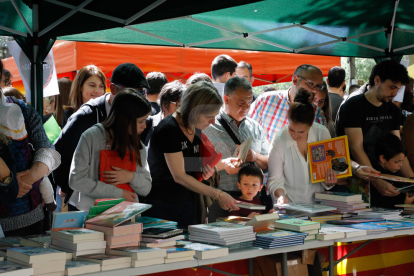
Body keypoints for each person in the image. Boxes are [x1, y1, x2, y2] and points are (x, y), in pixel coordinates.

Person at [53, 63, 150, 211]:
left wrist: (131, 178)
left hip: (125, 209)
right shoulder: (85, 118)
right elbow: (60, 152)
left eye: (141, 92)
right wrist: (66, 188)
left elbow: (144, 180)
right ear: (113, 89)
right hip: (87, 207)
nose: (136, 98)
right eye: (131, 92)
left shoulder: (140, 125)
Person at [146, 81, 239, 228]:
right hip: (165, 206)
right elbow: (179, 175)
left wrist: (203, 168)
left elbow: (184, 162)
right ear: (193, 110)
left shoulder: (195, 126)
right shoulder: (169, 129)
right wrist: (217, 194)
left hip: (189, 203)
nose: (213, 121)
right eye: (209, 116)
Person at [336, 60, 414, 199]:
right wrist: (377, 182)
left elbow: (397, 149)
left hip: (386, 177)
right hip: (357, 179)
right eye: (392, 87)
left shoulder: (393, 110)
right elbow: (356, 147)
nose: (395, 93)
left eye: (398, 89)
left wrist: (411, 179)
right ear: (377, 80)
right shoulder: (353, 106)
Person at [0, 61, 60, 236]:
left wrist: (29, 178)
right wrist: (9, 182)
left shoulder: (22, 110)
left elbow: (49, 150)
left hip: (31, 218)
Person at [69, 89, 152, 212]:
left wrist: (130, 176)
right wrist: (119, 193)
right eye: (140, 121)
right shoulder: (91, 137)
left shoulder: (137, 145)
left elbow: (146, 188)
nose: (144, 126)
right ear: (125, 119)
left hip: (127, 214)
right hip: (90, 214)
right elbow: (76, 180)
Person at [203, 76, 269, 222]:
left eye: (249, 102)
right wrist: (222, 165)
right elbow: (193, 166)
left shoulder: (255, 127)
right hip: (221, 200)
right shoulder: (208, 127)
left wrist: (255, 156)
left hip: (253, 202)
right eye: (241, 103)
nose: (246, 107)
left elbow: (268, 163)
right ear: (226, 99)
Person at [267, 89, 337, 204]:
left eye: (301, 132)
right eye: (291, 129)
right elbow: (274, 180)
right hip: (289, 208)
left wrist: (330, 181)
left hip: (318, 207)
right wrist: (281, 196)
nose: (295, 135)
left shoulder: (322, 133)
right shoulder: (279, 140)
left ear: (311, 125)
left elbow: (325, 173)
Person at [249, 64, 328, 142]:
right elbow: (246, 132)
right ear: (295, 80)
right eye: (311, 84)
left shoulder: (318, 114)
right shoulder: (265, 101)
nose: (315, 90)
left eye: (318, 86)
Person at [369, 134, 414, 209]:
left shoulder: (394, 172)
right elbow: (384, 204)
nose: (401, 165)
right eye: (397, 162)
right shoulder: (376, 177)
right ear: (383, 158)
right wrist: (406, 204)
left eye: (402, 161)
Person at [143, 81, 186, 146]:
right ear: (164, 105)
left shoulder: (190, 128)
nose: (184, 110)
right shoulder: (146, 125)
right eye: (179, 105)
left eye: (186, 105)